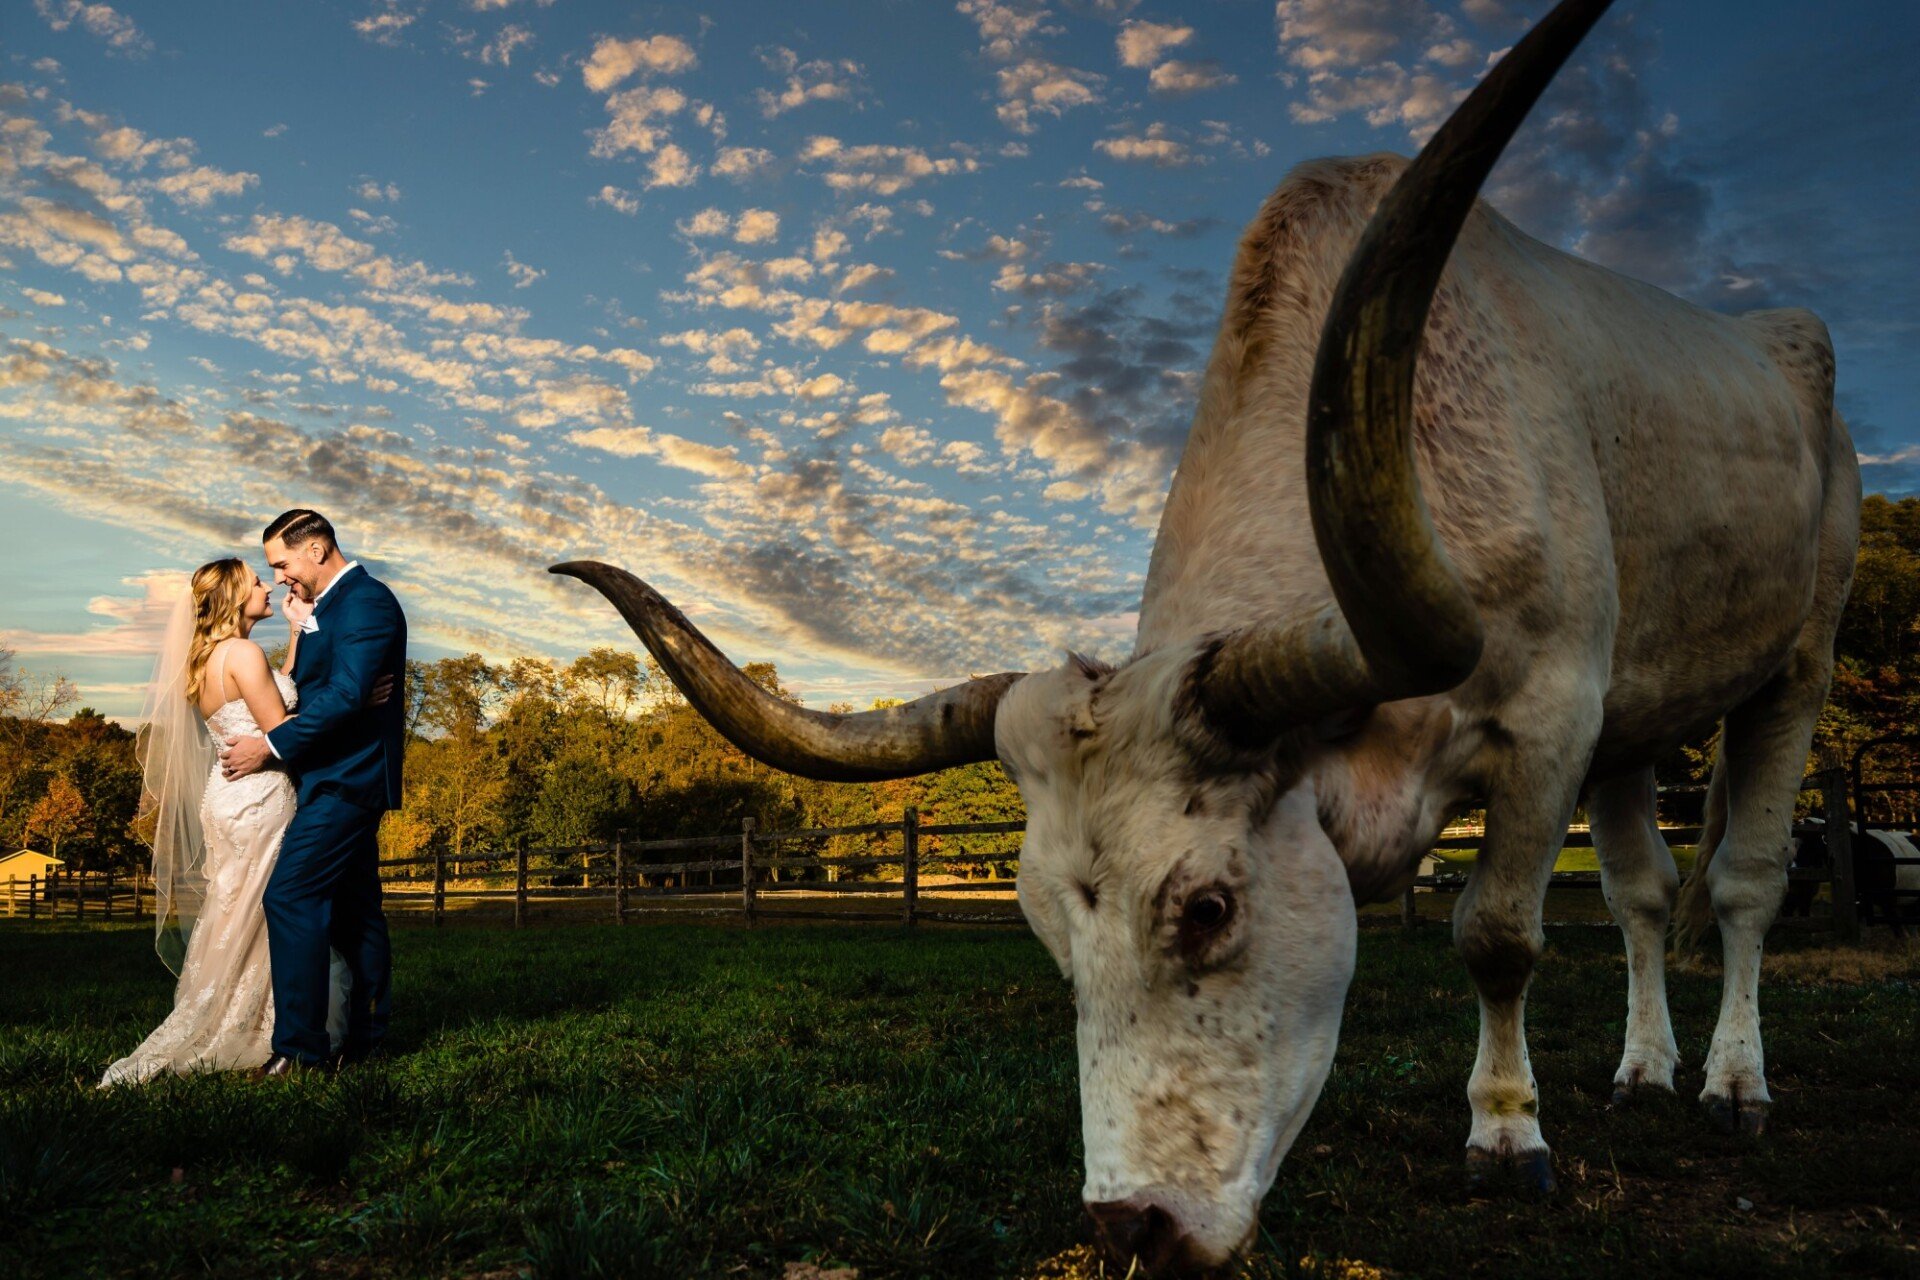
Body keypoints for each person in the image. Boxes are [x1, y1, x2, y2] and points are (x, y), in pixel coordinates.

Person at [101, 557, 369, 1084]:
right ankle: (266, 1025)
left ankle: (234, 1012)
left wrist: (295, 633)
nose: (267, 587)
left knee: (240, 905)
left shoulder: (212, 658)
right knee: (273, 908)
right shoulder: (243, 652)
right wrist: (357, 704)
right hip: (260, 797)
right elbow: (281, 727)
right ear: (231, 598)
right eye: (254, 582)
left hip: (226, 798)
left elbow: (276, 689)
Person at [220, 509, 409, 1076]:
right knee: (356, 913)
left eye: (282, 563)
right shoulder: (332, 608)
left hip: (347, 780)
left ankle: (301, 1053)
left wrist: (271, 746)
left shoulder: (368, 602)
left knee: (290, 896)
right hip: (329, 774)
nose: (278, 577)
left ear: (317, 550)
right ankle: (367, 1041)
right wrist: (307, 633)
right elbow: (334, 690)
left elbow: (349, 693)